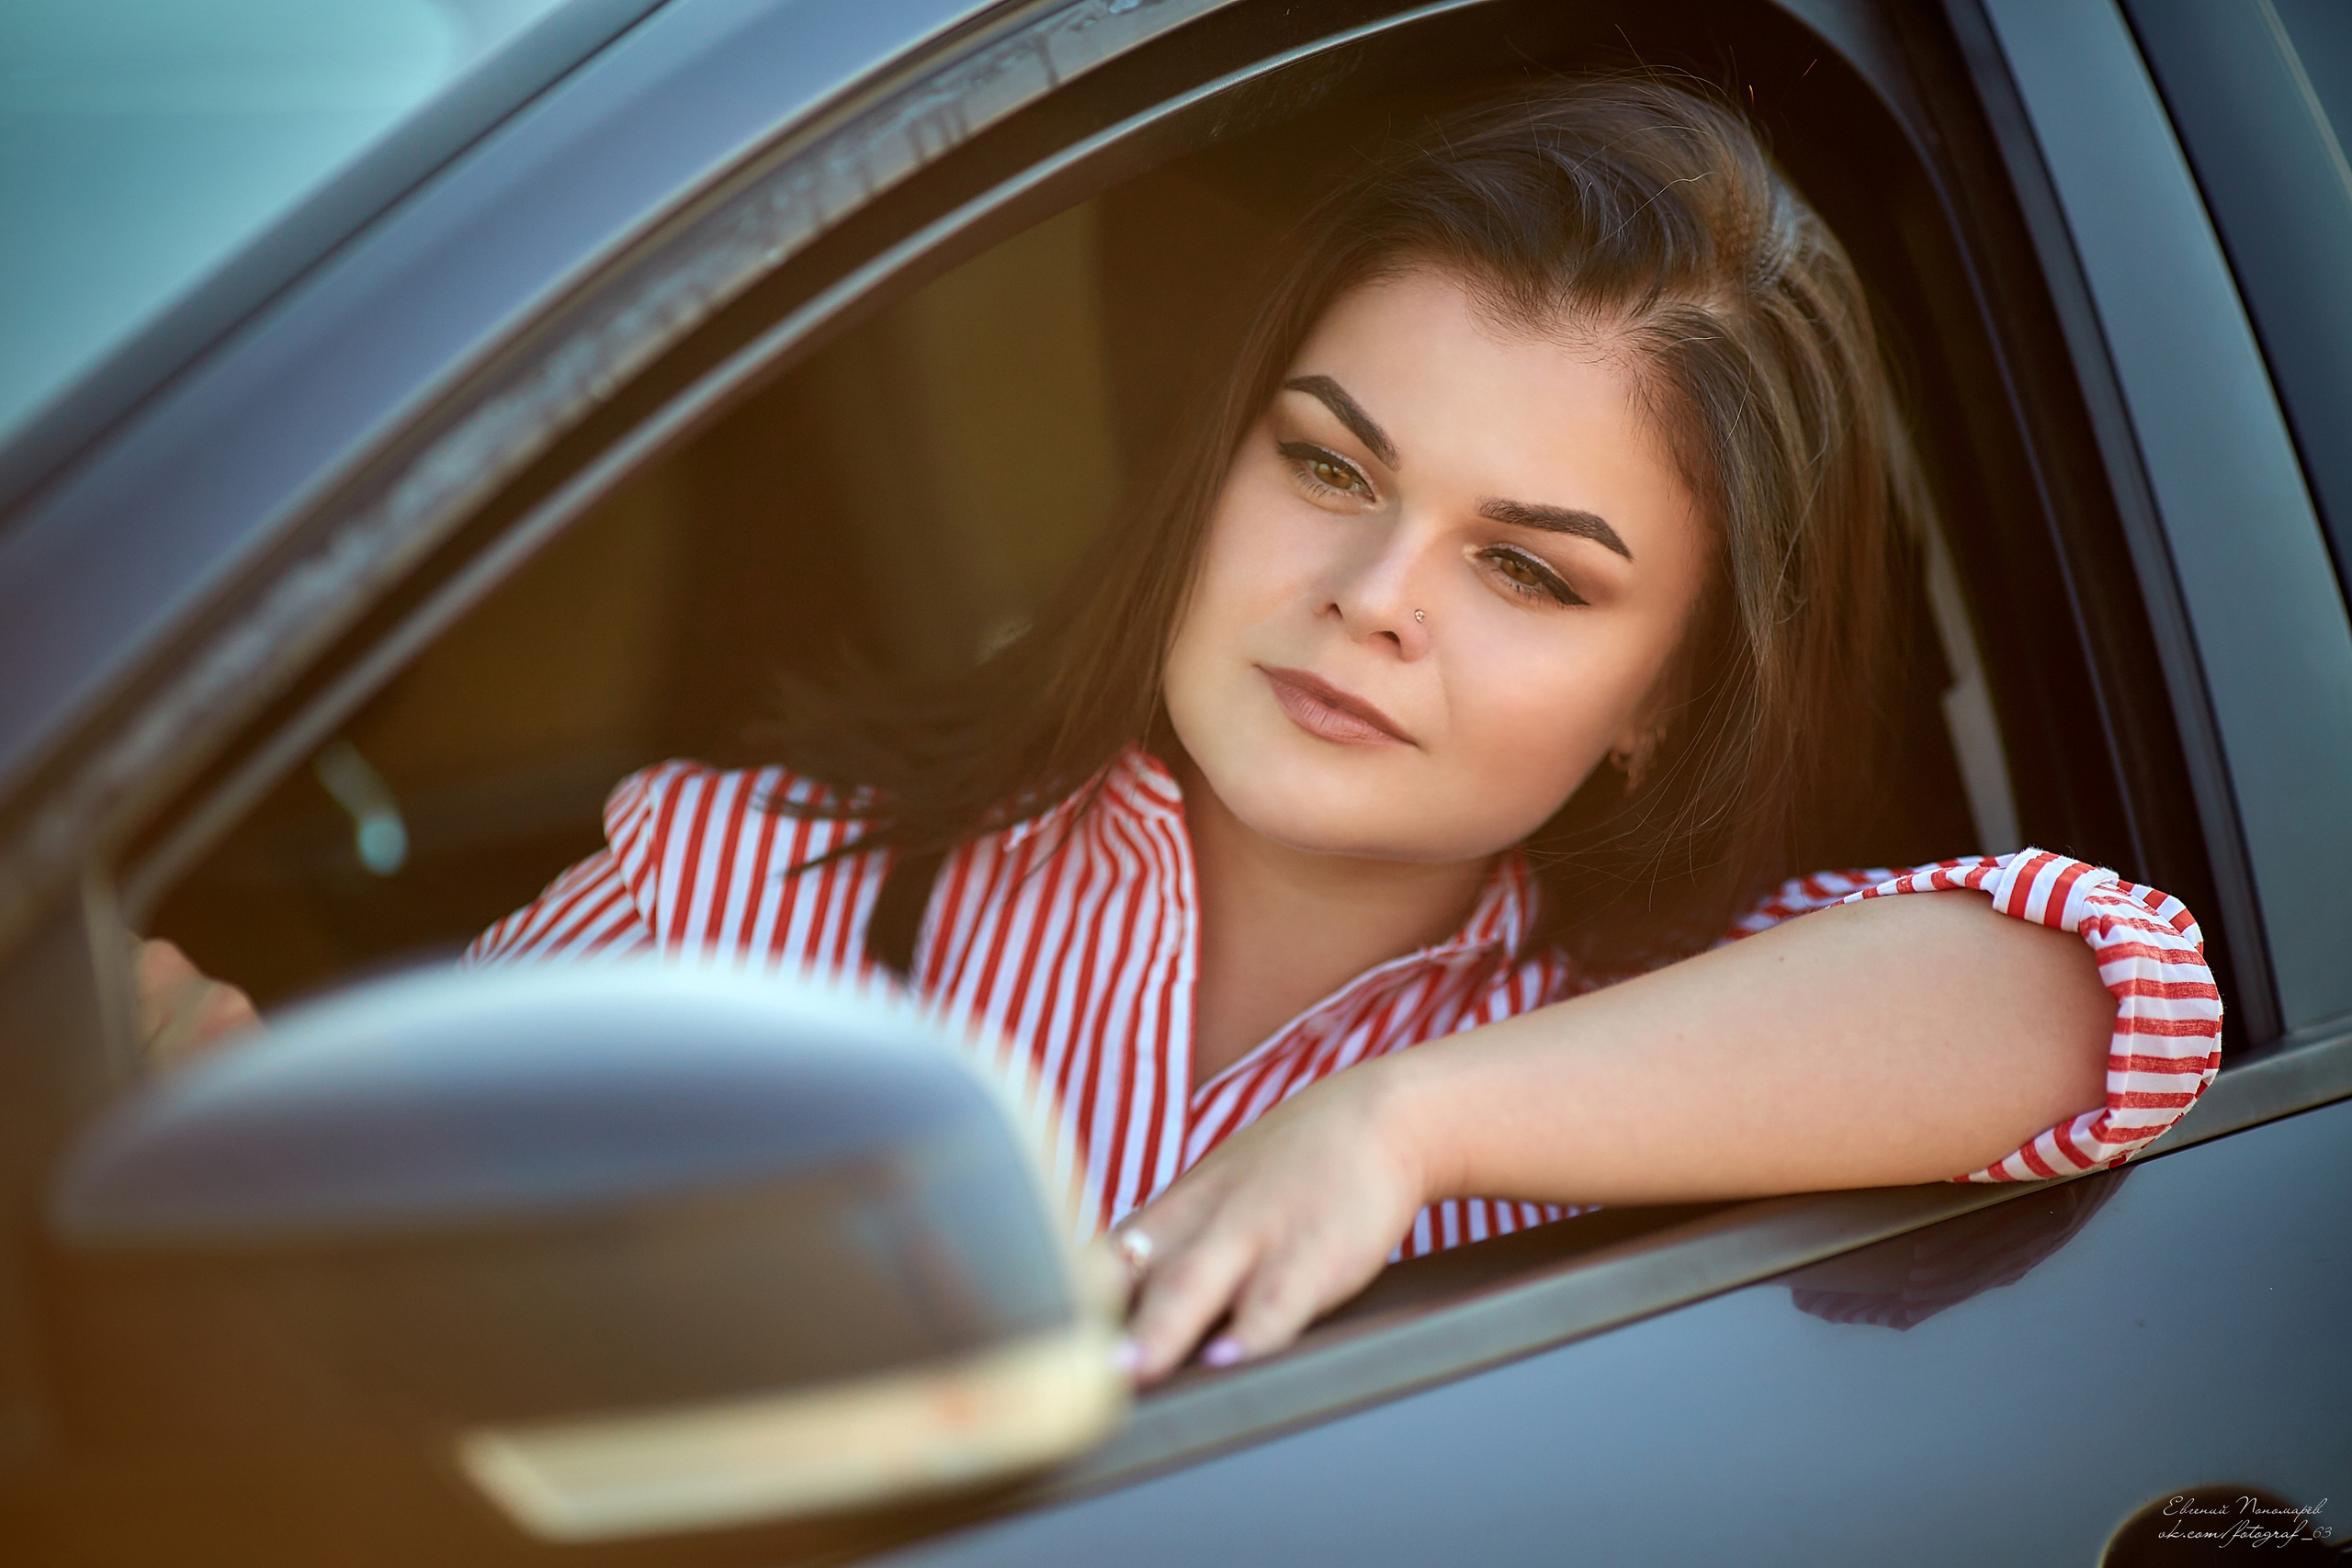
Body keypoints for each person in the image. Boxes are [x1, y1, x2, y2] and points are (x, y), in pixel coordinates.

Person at [141, 78, 2222, 1386]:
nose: (1371, 597)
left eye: (1531, 569)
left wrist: (1400, 1125)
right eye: (1329, 466)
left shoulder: (1684, 1029)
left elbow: (2110, 993)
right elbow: (367, 1311)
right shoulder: (768, 876)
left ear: (1663, 689)